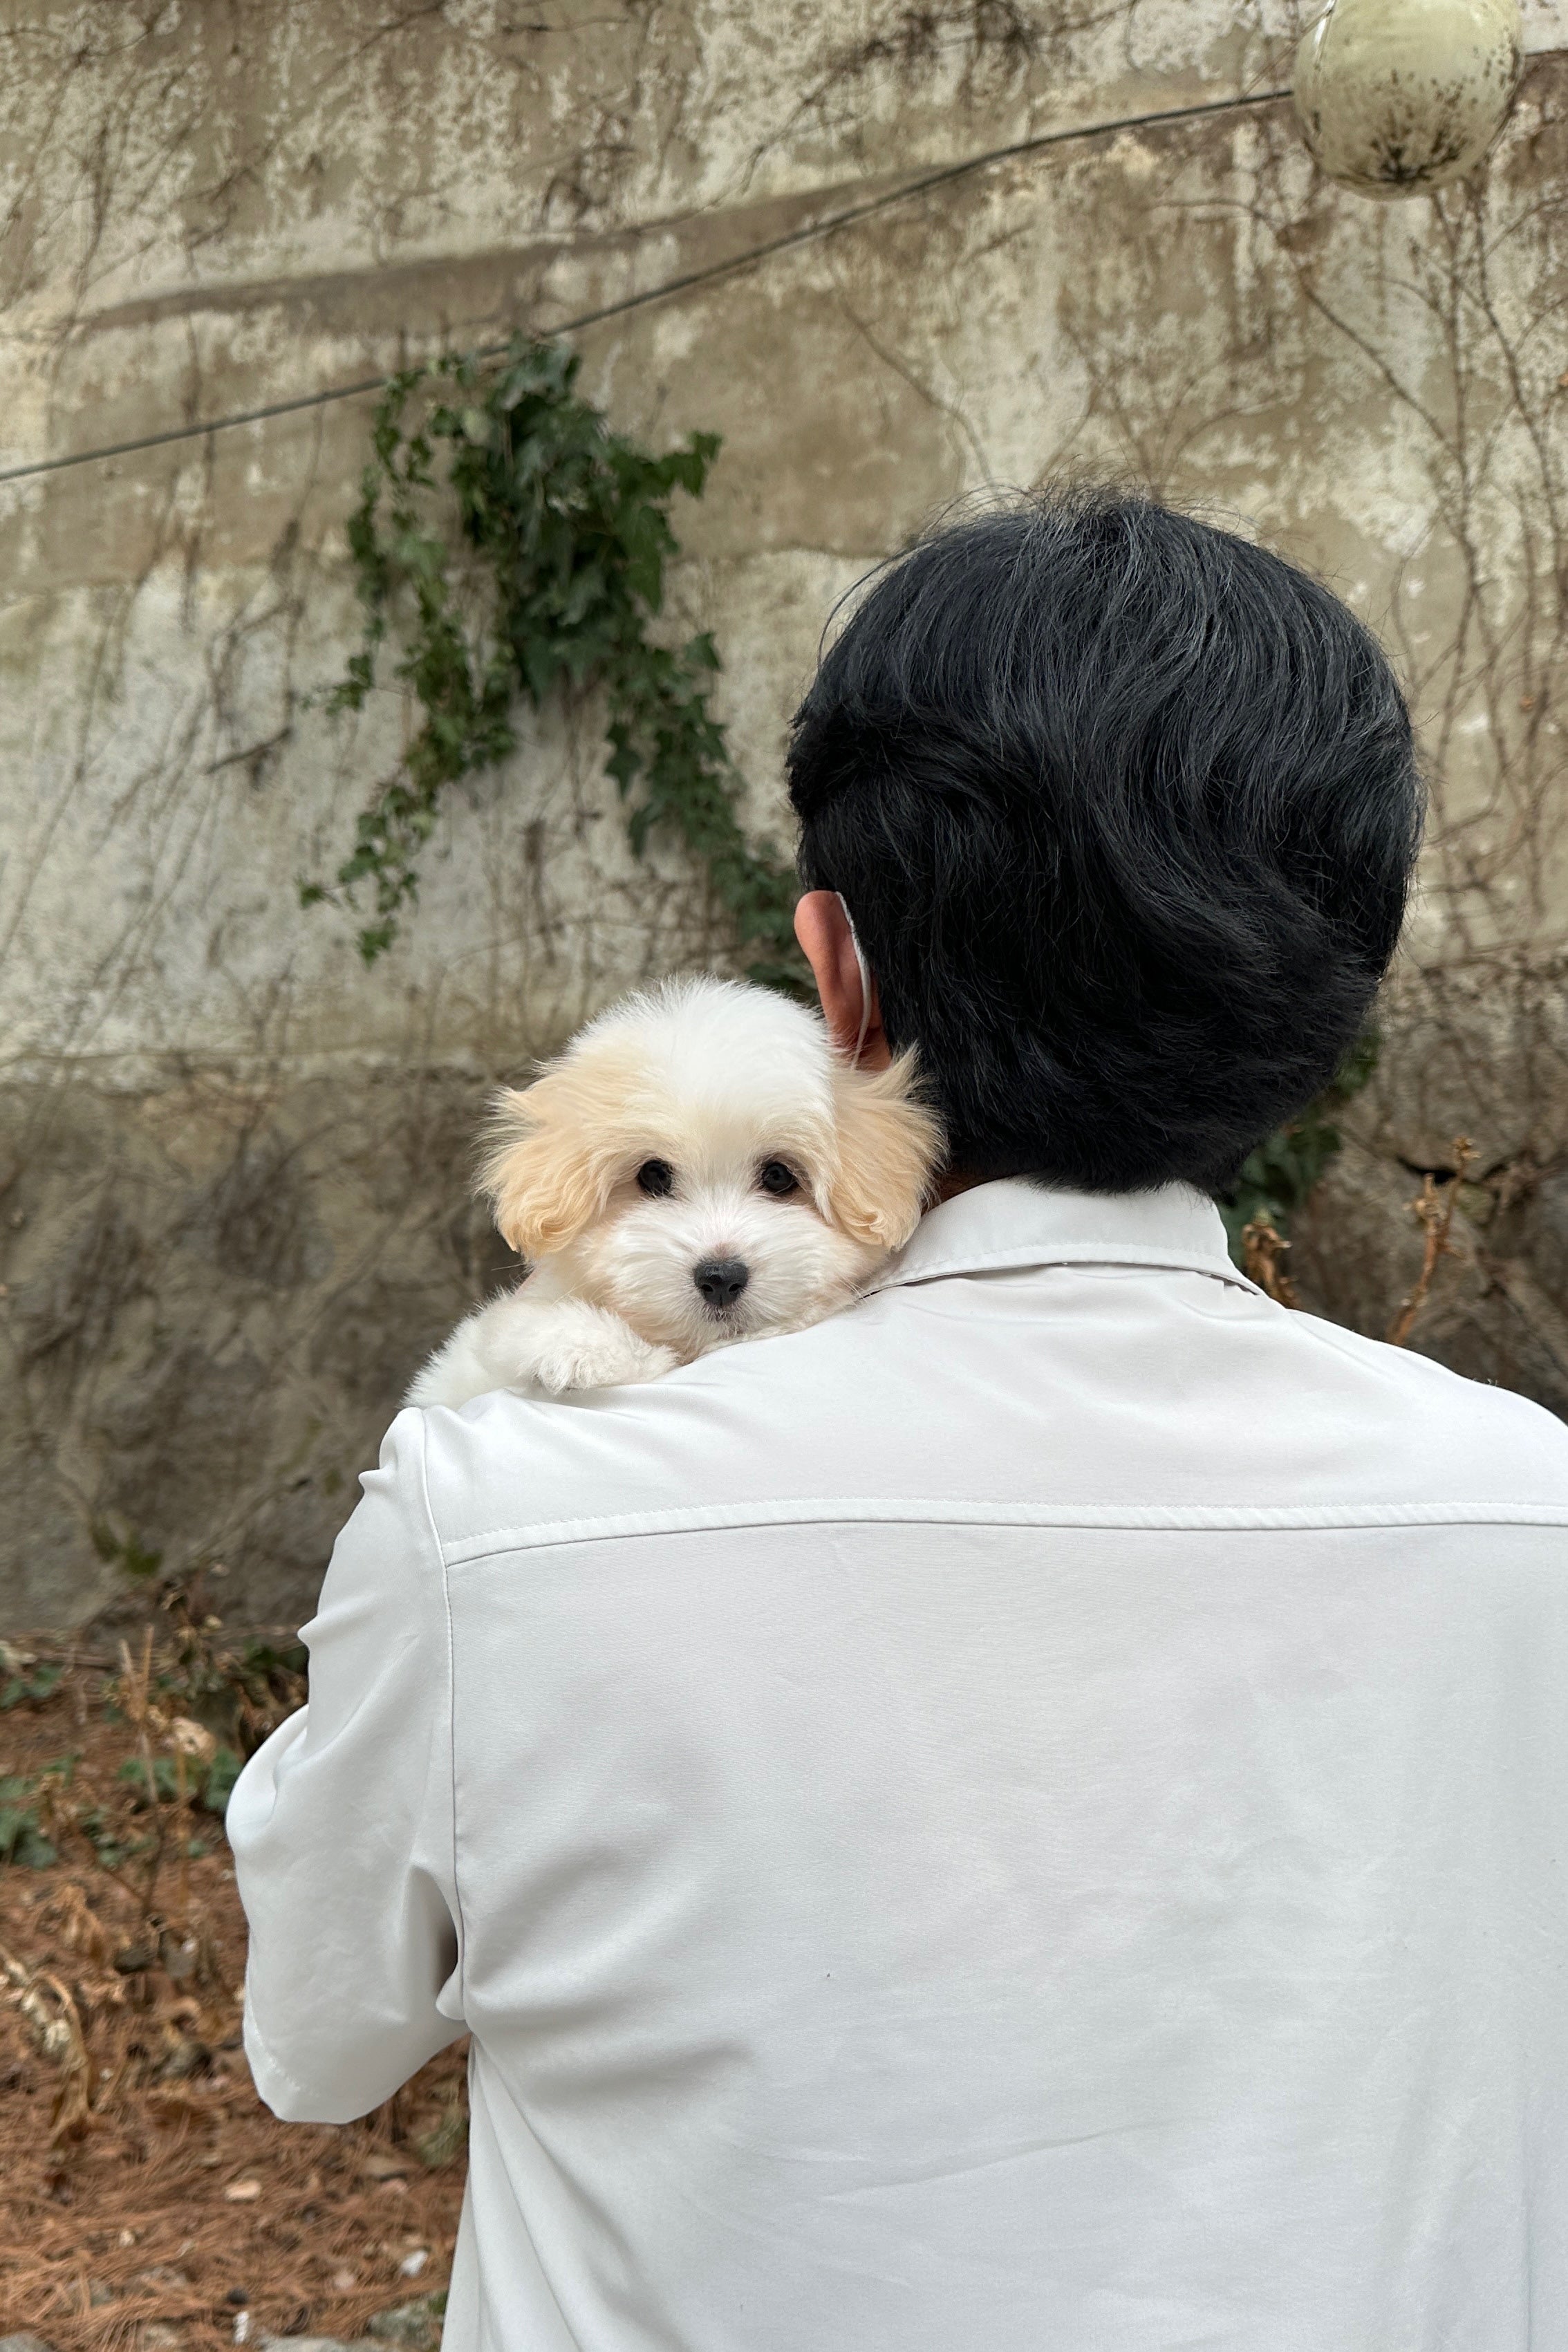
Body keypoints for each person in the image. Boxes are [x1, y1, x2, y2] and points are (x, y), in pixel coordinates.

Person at [230, 489, 1568, 2351]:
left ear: (836, 973)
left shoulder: (505, 1517)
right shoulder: (1532, 1522)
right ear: (1327, 1012)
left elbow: (314, 2039)